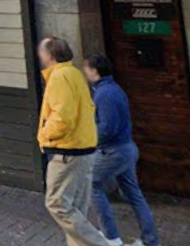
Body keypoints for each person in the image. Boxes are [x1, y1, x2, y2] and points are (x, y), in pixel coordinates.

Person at [37, 37, 111, 246]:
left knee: (57, 203)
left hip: (68, 152)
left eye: (42, 52)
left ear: (50, 55)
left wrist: (44, 135)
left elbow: (63, 117)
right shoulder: (74, 74)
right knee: (76, 209)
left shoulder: (60, 77)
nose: (39, 56)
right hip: (83, 150)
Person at [83, 55, 161, 246]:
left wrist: (91, 141)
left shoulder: (104, 93)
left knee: (93, 184)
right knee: (134, 194)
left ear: (94, 70)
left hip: (114, 151)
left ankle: (111, 237)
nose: (84, 71)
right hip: (126, 148)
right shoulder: (113, 89)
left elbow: (108, 128)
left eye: (86, 68)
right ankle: (150, 240)